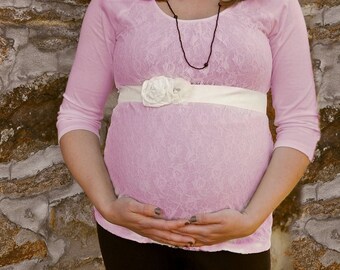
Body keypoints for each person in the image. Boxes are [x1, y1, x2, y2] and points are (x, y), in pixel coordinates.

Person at [56, 0, 320, 269]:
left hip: (236, 236)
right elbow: (78, 114)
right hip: (131, 235)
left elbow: (299, 124)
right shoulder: (112, 4)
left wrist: (252, 218)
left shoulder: (276, 5)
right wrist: (107, 206)